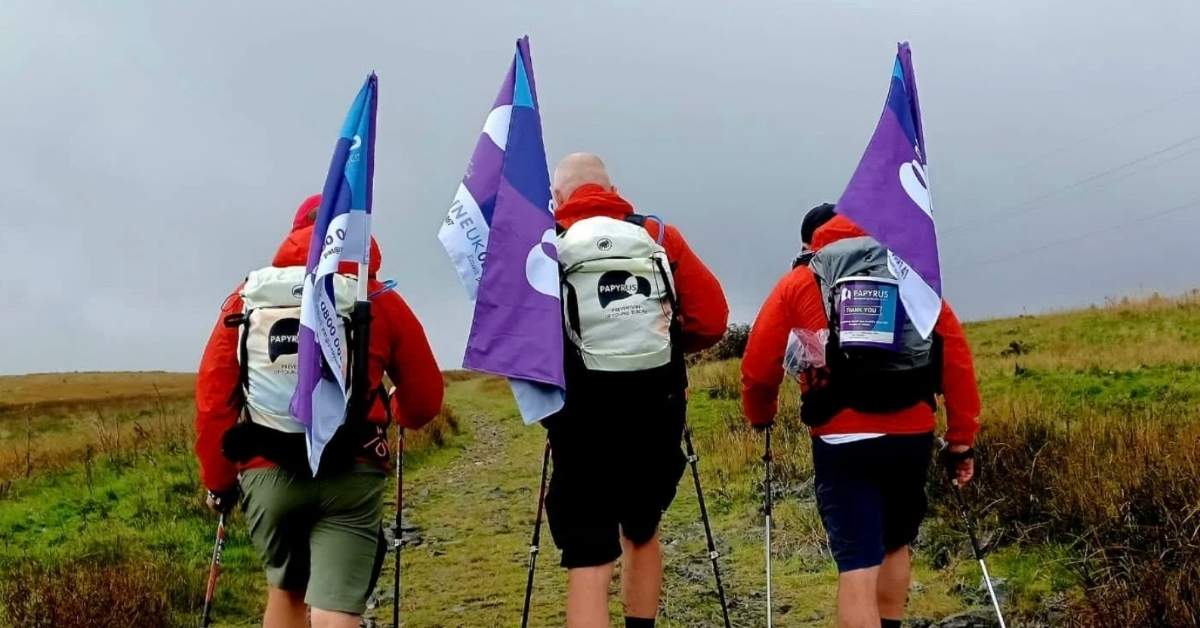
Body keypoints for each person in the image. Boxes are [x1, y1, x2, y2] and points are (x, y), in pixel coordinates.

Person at [194, 194, 444, 628]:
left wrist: (219, 483)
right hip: (351, 465)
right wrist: (398, 410)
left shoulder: (247, 300)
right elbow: (425, 399)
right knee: (338, 604)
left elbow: (215, 401)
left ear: (295, 232)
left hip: (269, 471)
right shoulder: (375, 298)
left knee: (286, 589)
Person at [741, 204, 981, 628]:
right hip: (911, 434)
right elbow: (955, 358)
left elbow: (759, 367)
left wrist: (761, 415)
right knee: (895, 545)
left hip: (841, 437)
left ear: (814, 240)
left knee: (857, 563)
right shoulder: (911, 276)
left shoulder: (800, 281)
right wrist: (960, 441)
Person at [546, 153, 729, 628]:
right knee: (642, 530)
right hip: (656, 405)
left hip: (580, 412)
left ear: (557, 198)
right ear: (612, 190)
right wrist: (668, 348)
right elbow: (712, 319)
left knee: (589, 551)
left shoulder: (546, 247)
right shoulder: (658, 236)